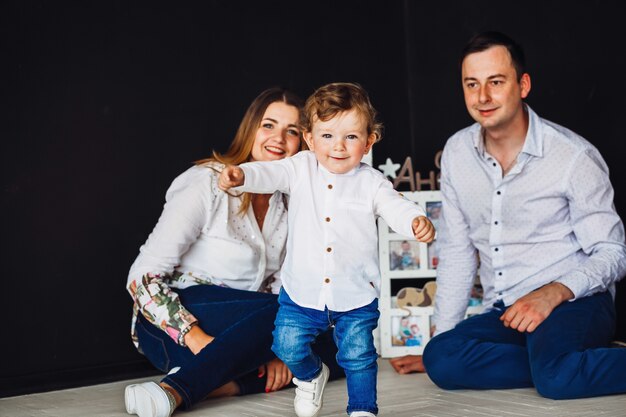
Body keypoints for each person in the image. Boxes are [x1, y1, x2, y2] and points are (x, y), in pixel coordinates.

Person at [414, 31, 626, 400]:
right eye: (472, 84)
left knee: (556, 380)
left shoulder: (573, 156)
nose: (483, 97)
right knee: (441, 358)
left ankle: (558, 364)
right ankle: (558, 362)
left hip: (574, 301)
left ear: (522, 84)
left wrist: (553, 293)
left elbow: (613, 252)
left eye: (496, 82)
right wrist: (444, 335)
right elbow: (458, 252)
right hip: (508, 307)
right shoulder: (457, 152)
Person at [123, 87, 344, 417]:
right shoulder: (206, 182)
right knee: (300, 315)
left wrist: (280, 353)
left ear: (304, 142)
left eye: (292, 131)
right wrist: (197, 338)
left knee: (344, 345)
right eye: (268, 125)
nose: (278, 138)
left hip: (246, 330)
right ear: (250, 128)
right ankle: (176, 390)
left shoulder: (290, 203)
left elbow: (281, 284)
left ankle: (219, 383)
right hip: (178, 322)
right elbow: (141, 278)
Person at [219, 82, 436, 417]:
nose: (338, 146)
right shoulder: (299, 167)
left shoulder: (372, 183)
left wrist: (415, 221)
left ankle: (362, 409)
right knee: (285, 345)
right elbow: (268, 173)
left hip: (355, 293)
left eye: (350, 136)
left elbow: (396, 206)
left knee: (359, 355)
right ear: (308, 138)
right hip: (302, 290)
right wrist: (241, 175)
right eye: (327, 136)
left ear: (368, 142)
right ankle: (310, 375)